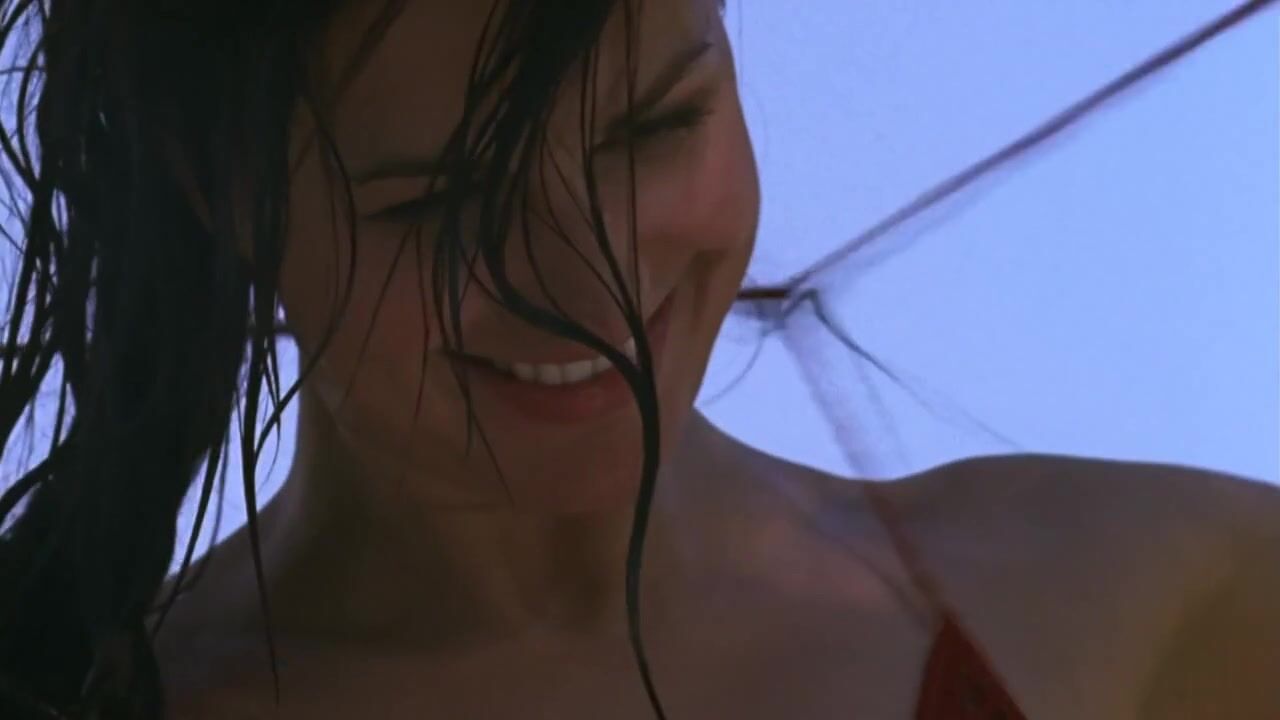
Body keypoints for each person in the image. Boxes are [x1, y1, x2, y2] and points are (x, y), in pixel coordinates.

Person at [0, 0, 1275, 718]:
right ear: (215, 190)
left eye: (655, 127)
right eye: (441, 203)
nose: (586, 287)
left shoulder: (1162, 606)